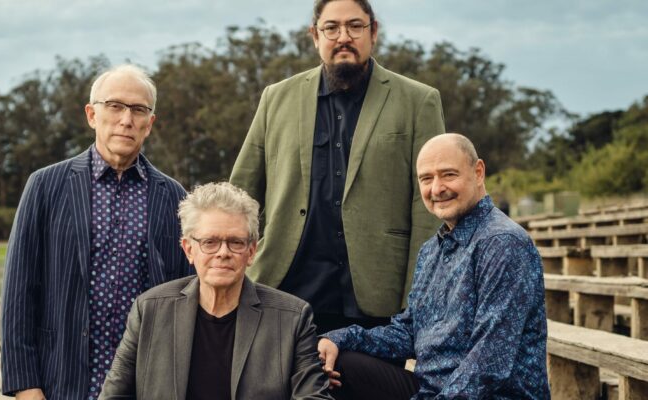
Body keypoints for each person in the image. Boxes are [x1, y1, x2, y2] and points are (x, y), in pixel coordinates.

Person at [230, 0, 445, 333]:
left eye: (355, 26)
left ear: (373, 32)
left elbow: (429, 208)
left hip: (378, 301)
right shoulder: (275, 98)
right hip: (284, 292)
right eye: (331, 27)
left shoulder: (419, 101)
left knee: (368, 387)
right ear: (315, 36)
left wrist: (415, 300)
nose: (343, 36)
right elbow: (241, 195)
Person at [1, 64, 193, 399]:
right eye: (115, 106)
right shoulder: (46, 186)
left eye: (138, 110)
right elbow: (19, 292)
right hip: (61, 382)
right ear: (92, 114)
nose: (126, 119)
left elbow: (188, 297)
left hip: (145, 385)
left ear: (150, 123)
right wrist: (25, 387)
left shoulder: (174, 196)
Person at [317, 134, 550, 399]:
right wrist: (338, 338)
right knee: (336, 364)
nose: (437, 189)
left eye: (448, 175)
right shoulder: (431, 250)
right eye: (426, 179)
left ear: (478, 172)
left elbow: (490, 362)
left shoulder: (503, 242)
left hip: (493, 395)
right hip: (430, 390)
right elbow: (407, 333)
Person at [99, 182, 333, 399]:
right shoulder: (148, 309)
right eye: (210, 242)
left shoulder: (293, 318)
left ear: (251, 251)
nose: (223, 252)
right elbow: (113, 395)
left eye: (236, 242)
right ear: (189, 249)